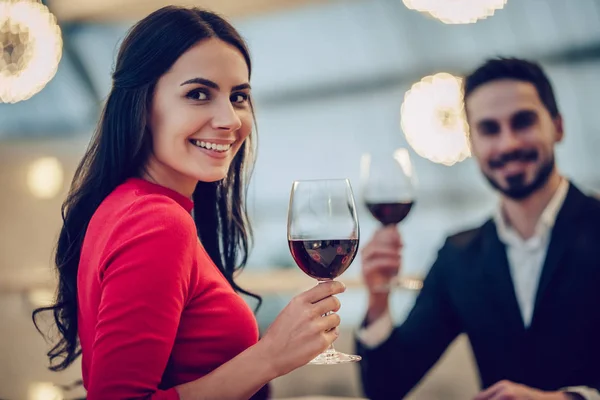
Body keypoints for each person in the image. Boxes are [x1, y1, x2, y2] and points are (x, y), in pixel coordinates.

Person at [32, 6, 345, 400]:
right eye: (198, 94)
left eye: (239, 96)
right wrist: (269, 357)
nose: (229, 119)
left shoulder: (128, 206)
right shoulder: (157, 223)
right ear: (142, 104)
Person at [356, 57, 600, 400]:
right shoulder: (459, 255)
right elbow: (386, 386)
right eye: (489, 129)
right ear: (472, 144)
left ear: (558, 126)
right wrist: (378, 300)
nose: (507, 144)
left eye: (523, 122)